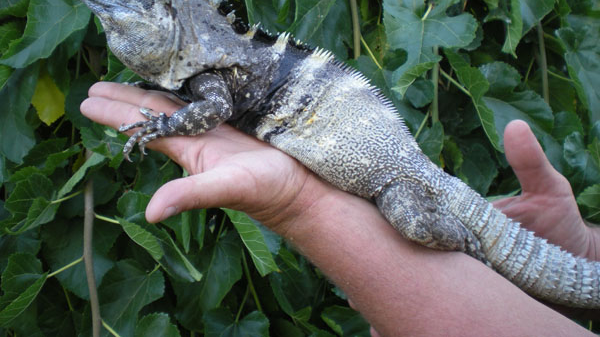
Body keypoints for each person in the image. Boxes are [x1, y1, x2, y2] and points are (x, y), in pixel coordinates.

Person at [81, 81, 599, 336]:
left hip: (405, 181)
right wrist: (588, 246)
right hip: (414, 177)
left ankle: (471, 253)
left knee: (417, 226)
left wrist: (298, 206)